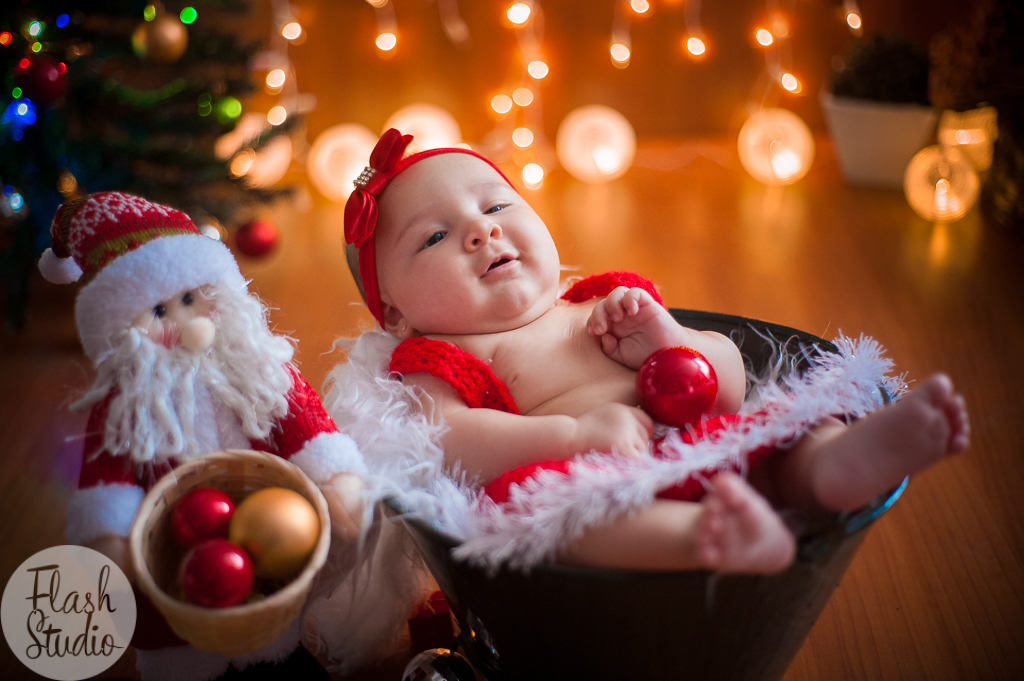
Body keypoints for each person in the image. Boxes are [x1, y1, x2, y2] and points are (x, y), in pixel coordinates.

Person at [340, 129, 970, 574]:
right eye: (437, 237)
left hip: (708, 440)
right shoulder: (445, 361)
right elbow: (448, 442)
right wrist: (570, 439)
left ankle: (840, 466)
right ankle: (709, 539)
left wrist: (673, 342)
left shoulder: (606, 305)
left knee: (793, 426)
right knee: (542, 518)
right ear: (394, 313)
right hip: (597, 482)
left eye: (498, 204)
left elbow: (728, 379)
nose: (483, 229)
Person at [39, 192, 367, 681]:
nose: (185, 325)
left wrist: (336, 479)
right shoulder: (123, 405)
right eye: (158, 312)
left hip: (264, 543)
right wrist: (111, 538)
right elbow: (106, 479)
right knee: (180, 649)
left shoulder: (258, 370)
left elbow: (305, 424)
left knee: (273, 648)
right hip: (171, 564)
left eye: (192, 299)